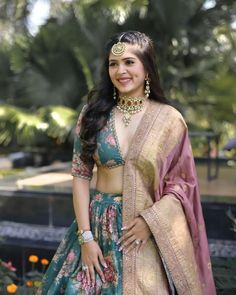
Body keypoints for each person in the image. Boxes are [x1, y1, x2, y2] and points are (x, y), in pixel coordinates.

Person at [37, 31, 216, 295]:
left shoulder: (169, 119)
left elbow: (181, 183)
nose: (120, 70)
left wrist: (150, 221)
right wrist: (86, 238)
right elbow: (80, 175)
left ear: (147, 68)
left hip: (143, 232)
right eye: (113, 63)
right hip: (96, 227)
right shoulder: (93, 114)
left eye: (129, 62)